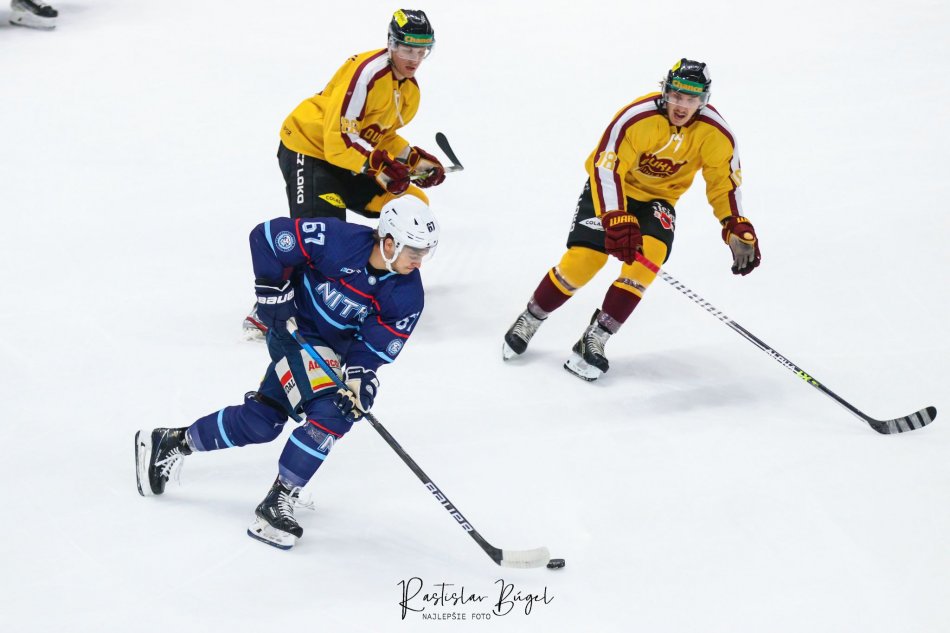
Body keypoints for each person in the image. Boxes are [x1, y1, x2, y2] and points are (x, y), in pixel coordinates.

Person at [136, 196, 440, 550]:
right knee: (332, 413)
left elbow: (372, 347)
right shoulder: (337, 240)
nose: (419, 261)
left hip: (328, 353)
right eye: (413, 250)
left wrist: (360, 378)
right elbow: (266, 237)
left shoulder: (407, 296)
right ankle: (277, 502)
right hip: (293, 330)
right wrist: (272, 294)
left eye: (424, 252)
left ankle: (170, 442)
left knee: (261, 422)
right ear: (388, 242)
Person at [502, 59, 761, 381]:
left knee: (646, 263)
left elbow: (724, 183)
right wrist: (615, 216)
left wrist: (734, 222)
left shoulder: (716, 133)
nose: (682, 105)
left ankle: (596, 337)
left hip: (659, 201)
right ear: (665, 91)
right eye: (676, 95)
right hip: (613, 189)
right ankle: (531, 317)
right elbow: (605, 167)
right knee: (585, 260)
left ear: (703, 100)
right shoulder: (636, 118)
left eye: (691, 99)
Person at [244, 8, 446, 338]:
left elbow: (379, 136)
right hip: (310, 150)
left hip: (350, 159)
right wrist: (382, 169)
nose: (414, 59)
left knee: (411, 202)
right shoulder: (367, 74)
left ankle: (373, 280)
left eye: (421, 51)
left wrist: (415, 162)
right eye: (407, 49)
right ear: (392, 43)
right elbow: (338, 141)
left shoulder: (408, 90)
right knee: (322, 233)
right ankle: (269, 309)